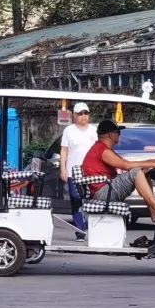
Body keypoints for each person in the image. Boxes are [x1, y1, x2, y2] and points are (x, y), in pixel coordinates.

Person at [81, 120, 155, 222]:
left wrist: (153, 162)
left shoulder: (104, 149)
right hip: (102, 194)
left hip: (106, 190)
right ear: (111, 135)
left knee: (144, 172)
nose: (119, 136)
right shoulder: (102, 150)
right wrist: (154, 163)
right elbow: (126, 165)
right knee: (136, 173)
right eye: (118, 133)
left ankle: (154, 213)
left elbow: (127, 163)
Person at [60, 102, 96, 241]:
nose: (83, 116)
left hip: (91, 171)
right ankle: (80, 230)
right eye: (80, 113)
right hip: (73, 172)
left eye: (86, 113)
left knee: (92, 200)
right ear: (74, 115)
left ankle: (92, 228)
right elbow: (64, 150)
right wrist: (63, 168)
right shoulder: (69, 130)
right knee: (76, 201)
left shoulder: (93, 130)